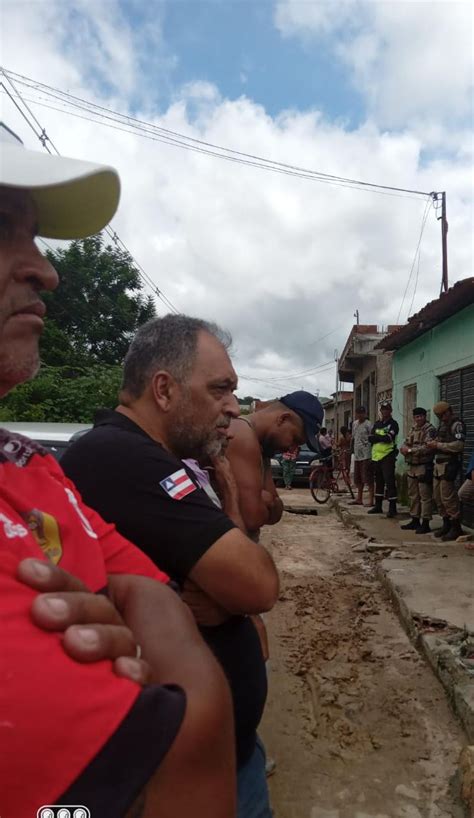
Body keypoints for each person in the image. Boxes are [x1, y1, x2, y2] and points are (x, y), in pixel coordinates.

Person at [0, 123, 236, 818]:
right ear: (164, 391)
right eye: (2, 227)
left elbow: (156, 590)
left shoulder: (30, 464)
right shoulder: (115, 456)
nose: (47, 269)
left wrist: (141, 613)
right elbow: (184, 733)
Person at [61, 314, 280, 818]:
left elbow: (241, 597)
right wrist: (231, 600)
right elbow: (258, 584)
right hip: (176, 775)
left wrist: (228, 602)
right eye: (220, 388)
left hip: (225, 754)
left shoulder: (177, 462)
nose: (233, 407)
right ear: (163, 389)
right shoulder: (122, 457)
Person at [226, 392, 323, 539]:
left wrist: (266, 500)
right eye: (295, 439)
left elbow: (275, 515)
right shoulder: (242, 436)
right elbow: (253, 518)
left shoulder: (262, 447)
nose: (292, 448)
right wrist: (263, 501)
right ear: (283, 419)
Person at [427, 401, 466, 541]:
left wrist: (439, 445)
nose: (442, 417)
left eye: (444, 414)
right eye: (440, 415)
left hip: (449, 464)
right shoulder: (442, 426)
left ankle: (456, 527)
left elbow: (459, 445)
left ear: (449, 411)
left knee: (448, 497)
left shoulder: (457, 425)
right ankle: (446, 524)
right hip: (438, 464)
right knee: (438, 497)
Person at [399, 407, 436, 534]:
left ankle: (425, 522)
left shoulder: (430, 429)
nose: (418, 419)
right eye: (416, 417)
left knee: (425, 496)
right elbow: (406, 443)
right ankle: (415, 519)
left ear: (425, 416)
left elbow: (428, 447)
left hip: (424, 466)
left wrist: (410, 451)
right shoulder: (413, 429)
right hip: (412, 466)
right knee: (413, 495)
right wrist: (403, 449)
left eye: (420, 416)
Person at [368, 401, 399, 518]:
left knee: (390, 482)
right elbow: (370, 438)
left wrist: (377, 438)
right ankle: (378, 506)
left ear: (390, 411)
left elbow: (388, 439)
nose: (384, 411)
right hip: (376, 458)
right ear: (380, 411)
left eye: (387, 409)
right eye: (383, 409)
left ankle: (392, 508)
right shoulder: (377, 424)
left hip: (388, 456)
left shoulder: (393, 424)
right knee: (379, 482)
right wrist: (379, 438)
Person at [350, 406, 374, 507]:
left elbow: (372, 438)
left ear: (365, 413)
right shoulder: (355, 424)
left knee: (368, 478)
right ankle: (359, 498)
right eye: (358, 413)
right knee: (358, 479)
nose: (360, 415)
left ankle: (371, 500)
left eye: (362, 413)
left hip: (366, 455)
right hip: (357, 455)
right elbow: (353, 438)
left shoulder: (368, 425)